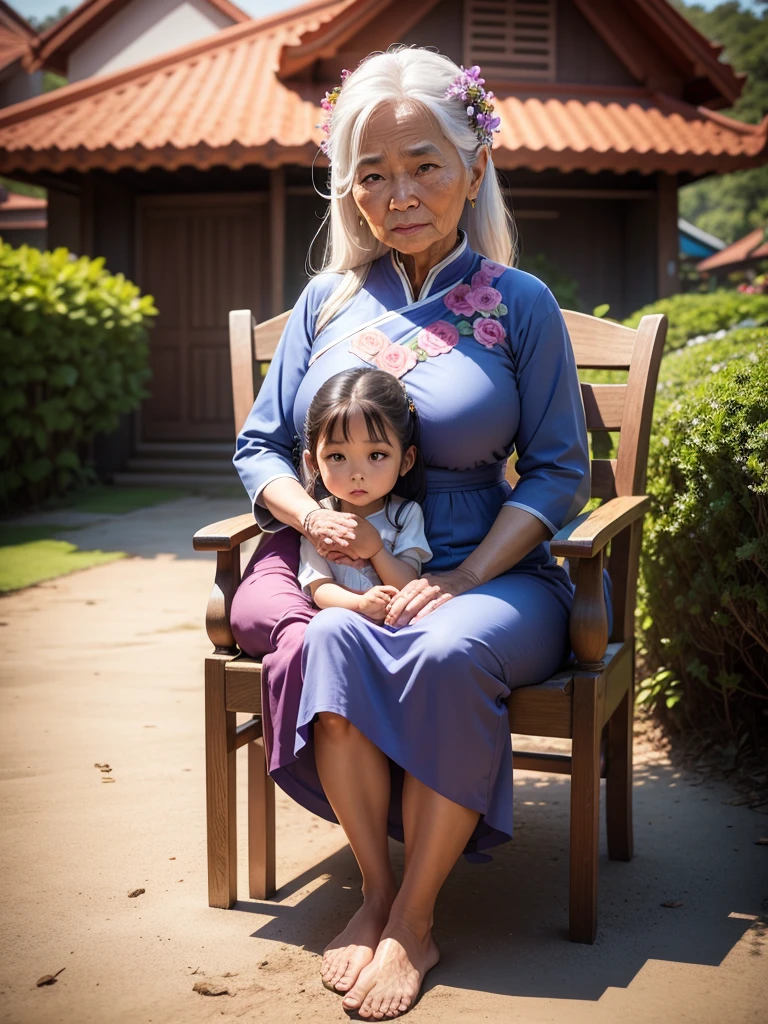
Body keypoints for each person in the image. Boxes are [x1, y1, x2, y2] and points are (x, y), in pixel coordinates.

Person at [231, 47, 590, 1020]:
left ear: (473, 165)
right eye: (374, 174)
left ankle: (416, 917)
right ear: (350, 189)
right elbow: (261, 446)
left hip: (498, 569)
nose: (401, 193)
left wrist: (469, 571)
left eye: (425, 164)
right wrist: (311, 515)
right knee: (338, 634)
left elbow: (562, 469)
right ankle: (377, 889)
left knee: (441, 643)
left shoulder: (522, 306)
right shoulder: (327, 303)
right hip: (355, 560)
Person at [297, 367, 433, 621]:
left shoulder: (404, 514)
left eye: (376, 455)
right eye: (337, 457)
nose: (357, 473)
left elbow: (408, 584)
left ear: (406, 461)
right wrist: (360, 604)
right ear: (314, 463)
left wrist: (376, 549)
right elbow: (320, 587)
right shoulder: (321, 519)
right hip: (342, 620)